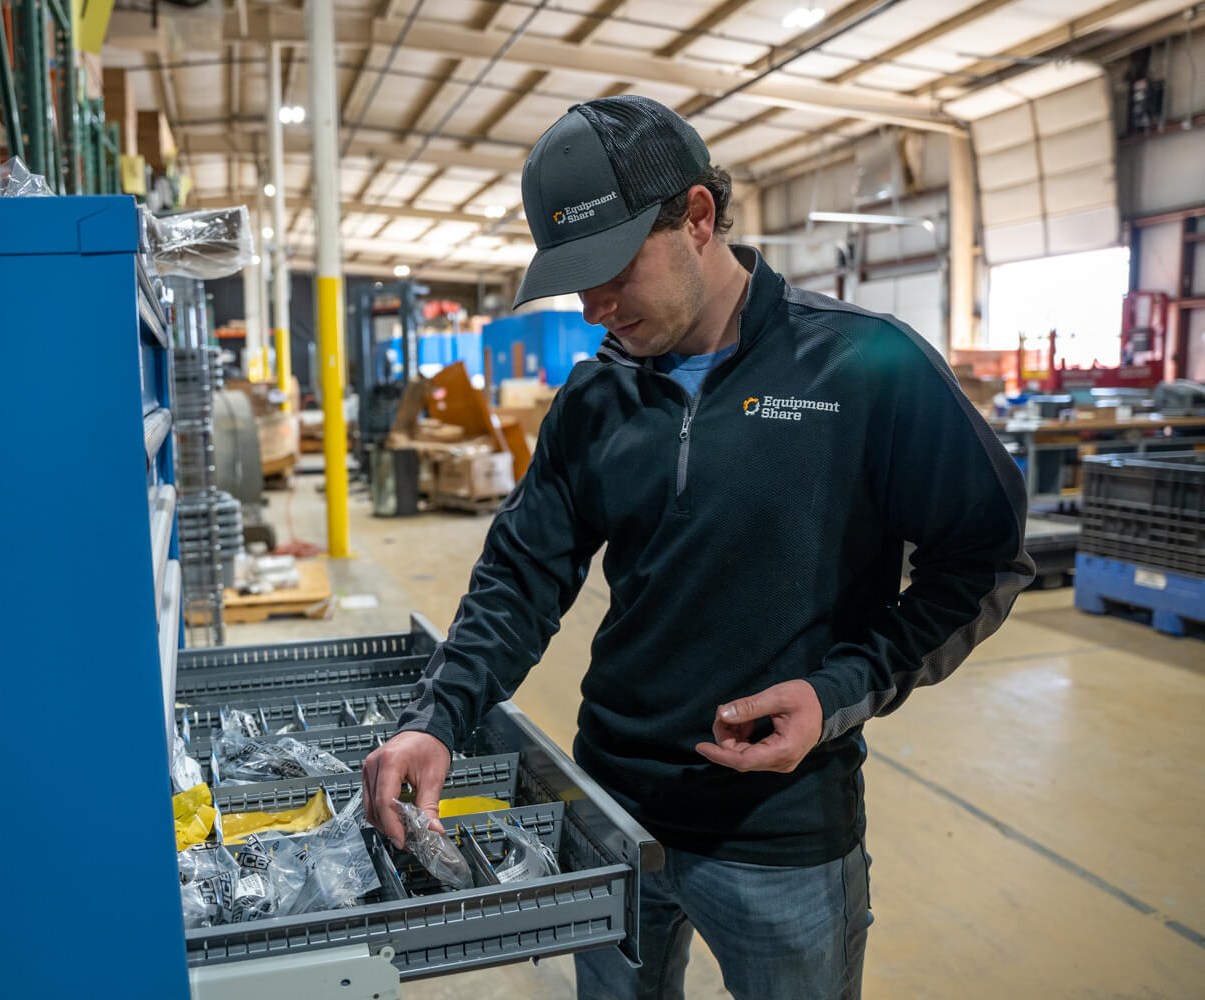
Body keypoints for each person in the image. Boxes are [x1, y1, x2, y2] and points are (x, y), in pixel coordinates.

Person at [360, 95, 1034, 1000]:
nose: (594, 307)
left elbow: (983, 560)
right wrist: (436, 717)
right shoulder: (596, 398)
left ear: (699, 218)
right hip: (611, 816)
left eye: (610, 270)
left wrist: (838, 691)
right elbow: (521, 576)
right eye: (574, 281)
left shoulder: (864, 368)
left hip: (783, 836)